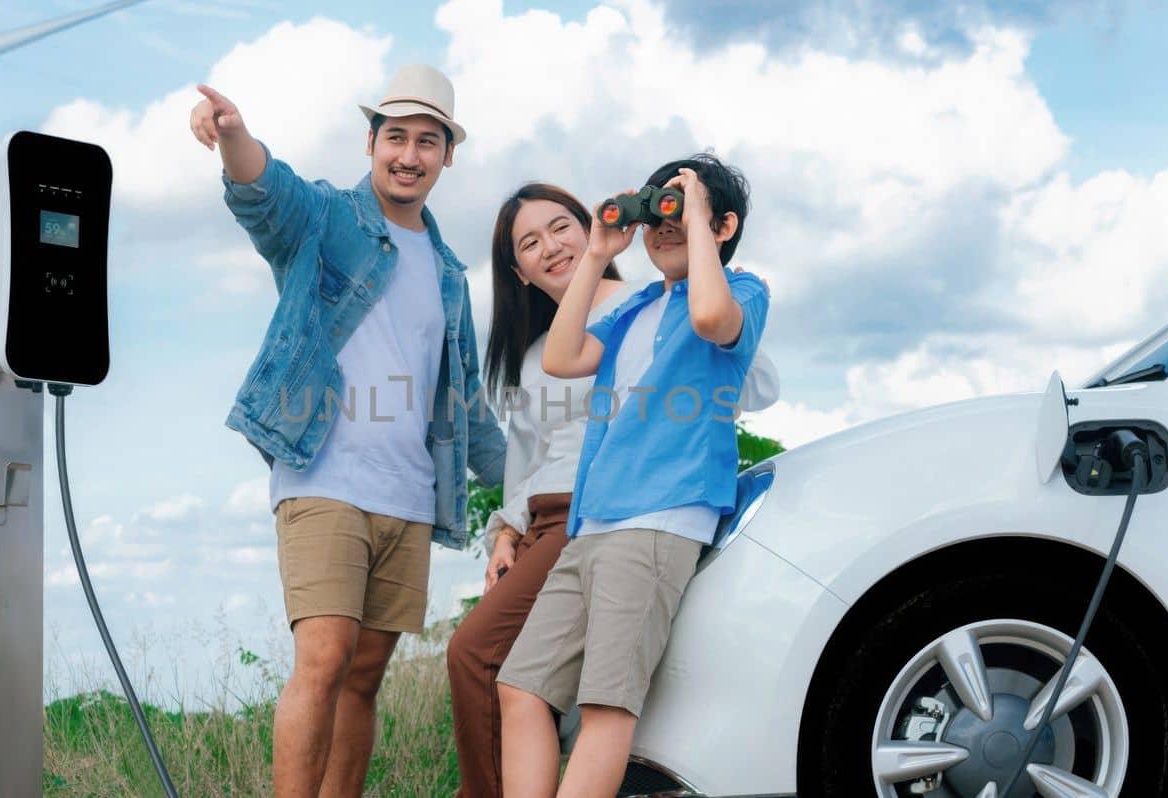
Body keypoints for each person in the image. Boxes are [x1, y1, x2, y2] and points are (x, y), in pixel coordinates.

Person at [188, 64, 507, 798]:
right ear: (371, 141)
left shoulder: (452, 273)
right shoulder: (331, 219)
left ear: (446, 155)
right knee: (325, 658)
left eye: (428, 141)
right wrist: (234, 138)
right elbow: (266, 194)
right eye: (396, 136)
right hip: (323, 476)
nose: (410, 155)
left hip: (410, 496)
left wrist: (535, 483)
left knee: (363, 679)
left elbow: (465, 410)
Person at [446, 182, 778, 798]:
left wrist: (699, 224)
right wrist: (507, 529)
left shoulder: (720, 295)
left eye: (560, 227)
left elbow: (735, 357)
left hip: (651, 512)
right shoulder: (624, 315)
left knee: (596, 697)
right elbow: (545, 407)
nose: (550, 246)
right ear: (514, 269)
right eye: (529, 242)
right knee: (522, 685)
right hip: (585, 521)